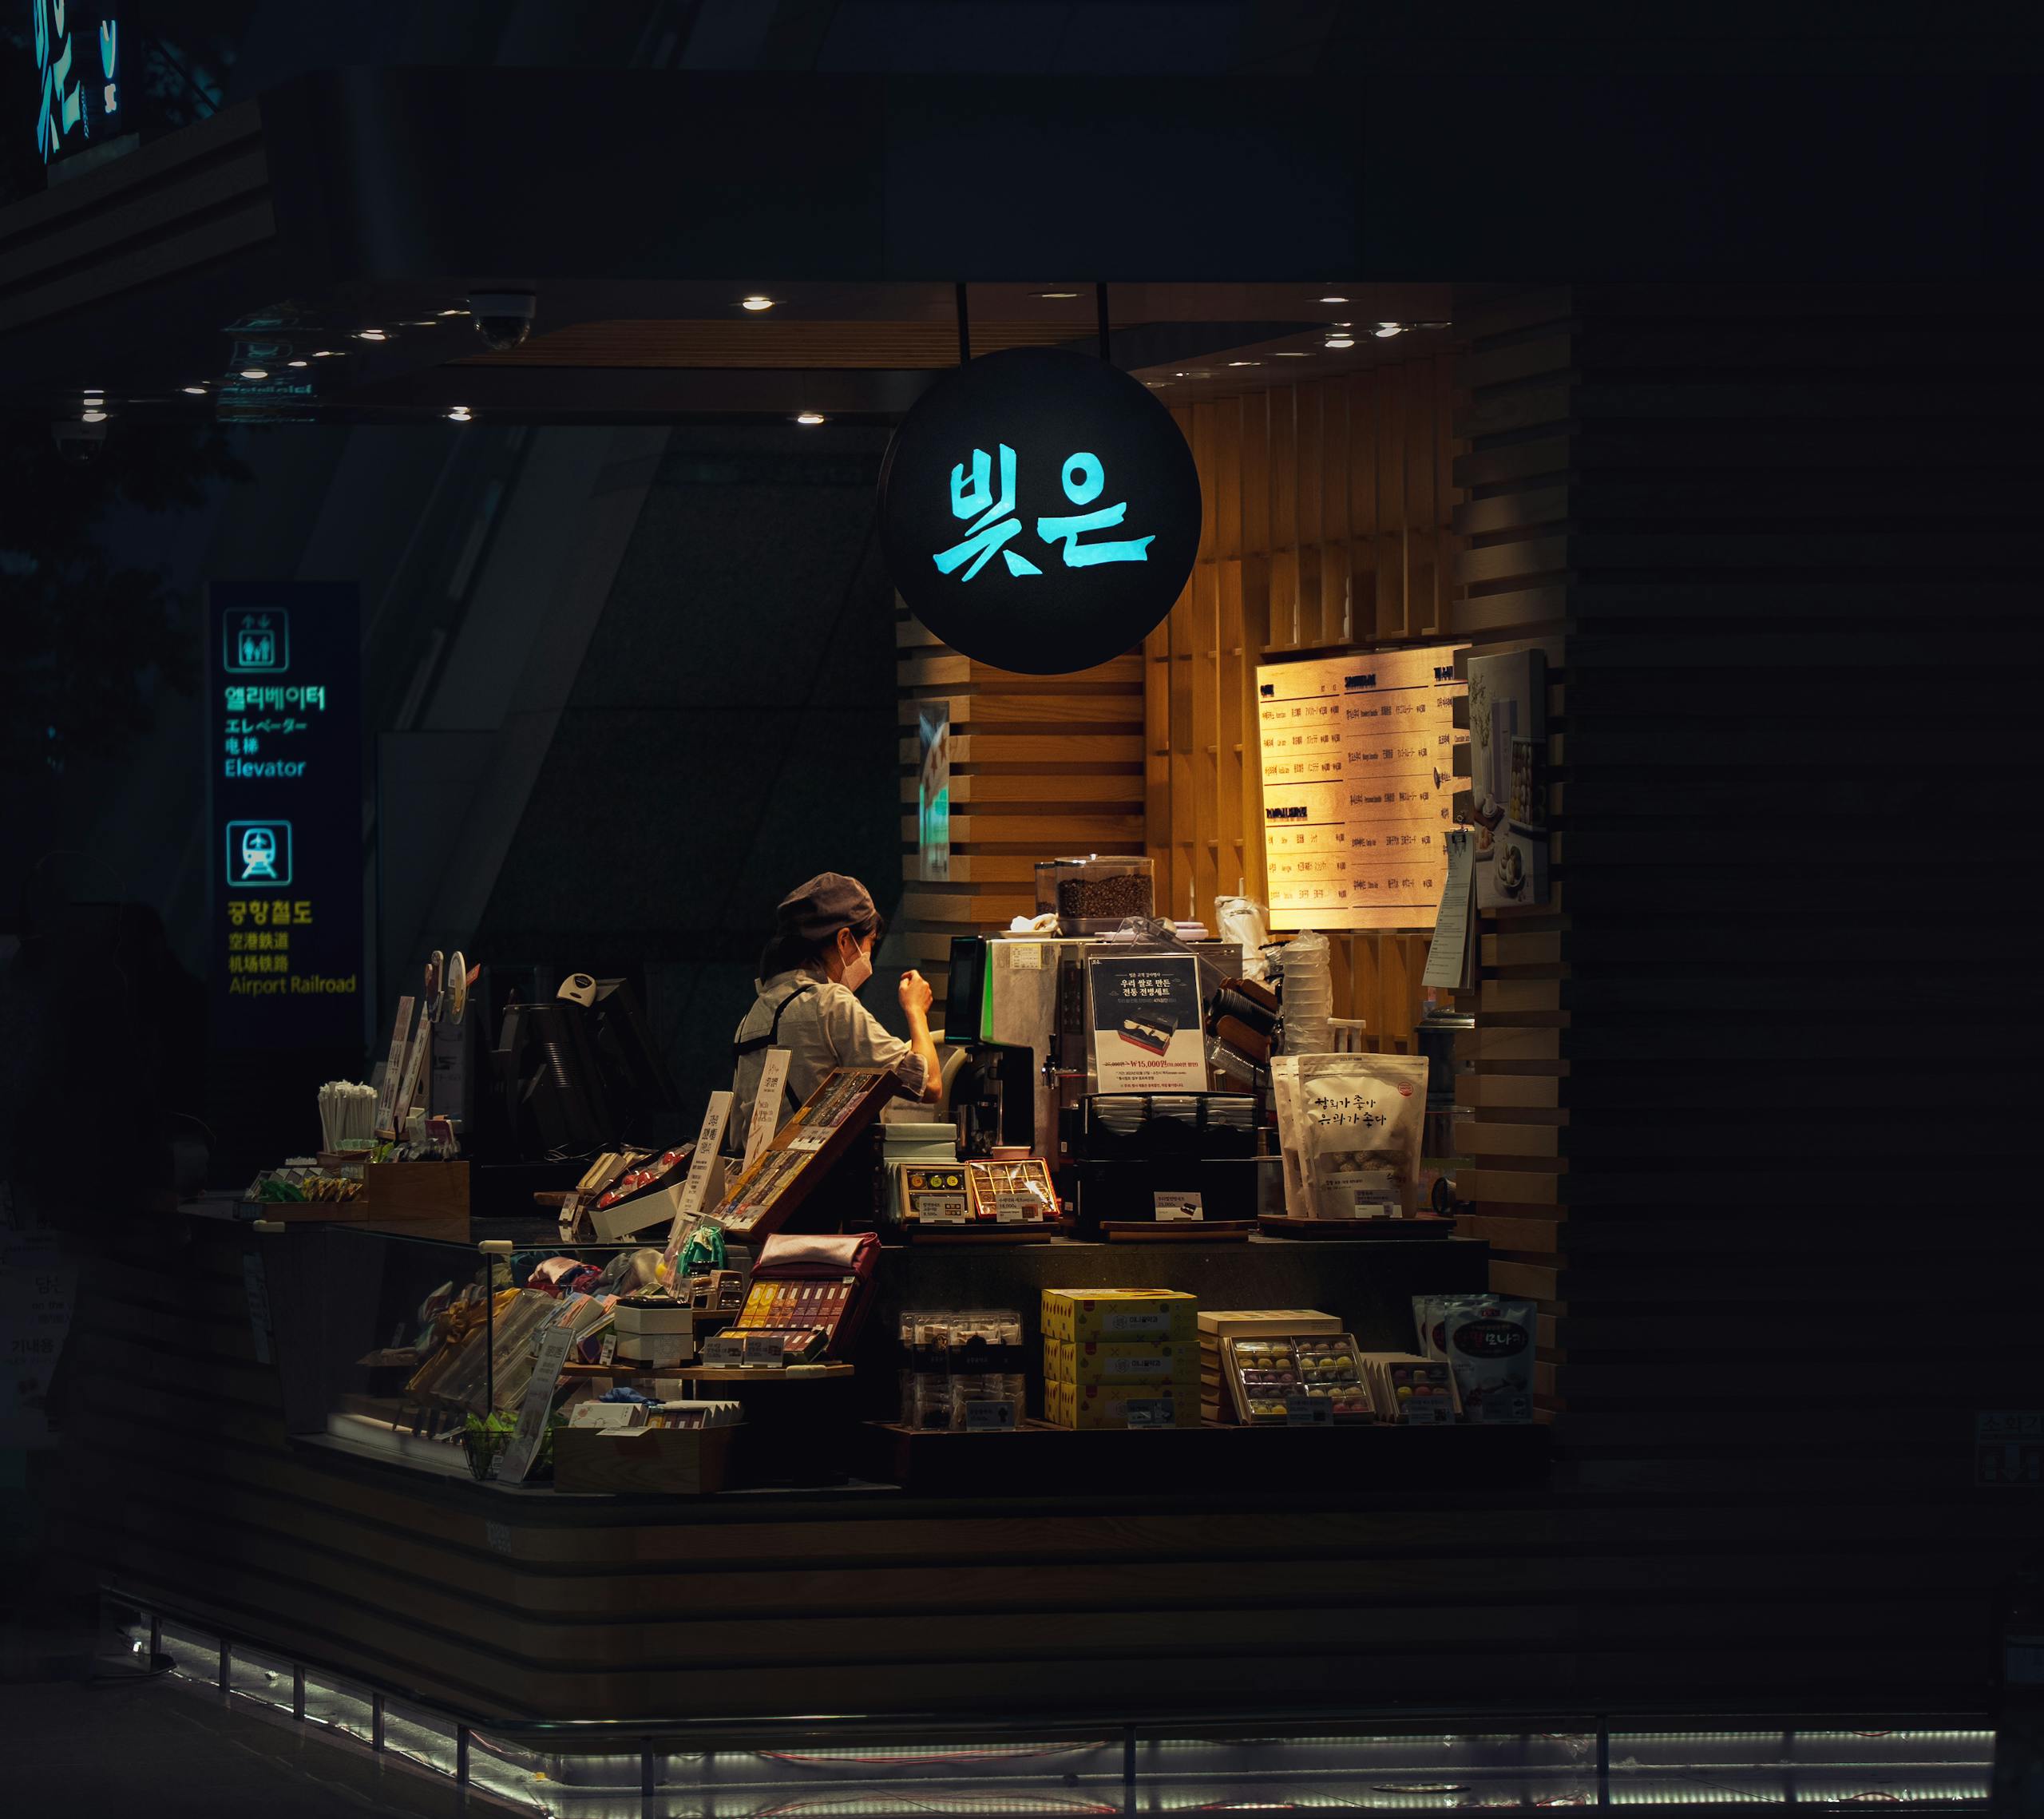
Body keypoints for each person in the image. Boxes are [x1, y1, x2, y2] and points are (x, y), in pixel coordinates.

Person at [729, 872, 941, 1147]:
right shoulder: (829, 1003)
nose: (868, 955)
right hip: (828, 1185)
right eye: (870, 943)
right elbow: (928, 1083)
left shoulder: (754, 1015)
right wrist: (916, 1010)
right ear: (844, 940)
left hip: (772, 1183)